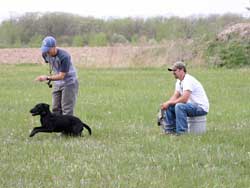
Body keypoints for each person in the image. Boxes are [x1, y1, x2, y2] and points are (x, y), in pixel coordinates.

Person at [161, 61, 209, 135]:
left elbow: (184, 99)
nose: (173, 73)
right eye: (172, 71)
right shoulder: (179, 81)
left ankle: (181, 133)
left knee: (180, 106)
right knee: (170, 106)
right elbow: (175, 96)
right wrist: (166, 104)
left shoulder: (188, 80)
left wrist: (169, 103)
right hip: (191, 106)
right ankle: (170, 132)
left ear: (182, 70)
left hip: (201, 107)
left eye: (174, 70)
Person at [35, 36, 78, 116]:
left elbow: (62, 76)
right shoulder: (45, 54)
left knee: (67, 109)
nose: (47, 52)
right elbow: (50, 63)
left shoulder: (64, 56)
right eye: (45, 49)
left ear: (54, 47)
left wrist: (47, 77)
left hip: (69, 82)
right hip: (57, 82)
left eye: (48, 49)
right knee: (55, 108)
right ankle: (58, 128)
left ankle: (67, 128)